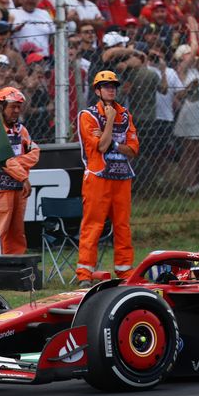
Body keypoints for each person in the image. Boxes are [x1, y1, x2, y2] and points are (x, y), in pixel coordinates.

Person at [76, 70, 139, 287]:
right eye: (106, 85)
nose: (111, 88)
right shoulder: (88, 115)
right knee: (93, 225)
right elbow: (101, 147)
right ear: (97, 90)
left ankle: (124, 270)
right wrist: (110, 121)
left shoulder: (126, 114)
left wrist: (114, 144)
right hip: (98, 178)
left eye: (113, 85)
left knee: (122, 225)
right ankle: (85, 273)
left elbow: (132, 149)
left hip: (122, 177)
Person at [0, 86, 41, 255]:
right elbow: (1, 160)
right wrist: (23, 176)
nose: (16, 111)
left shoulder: (21, 130)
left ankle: (15, 268)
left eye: (19, 107)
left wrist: (15, 163)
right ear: (1, 107)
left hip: (17, 188)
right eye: (12, 107)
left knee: (17, 233)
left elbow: (35, 152)